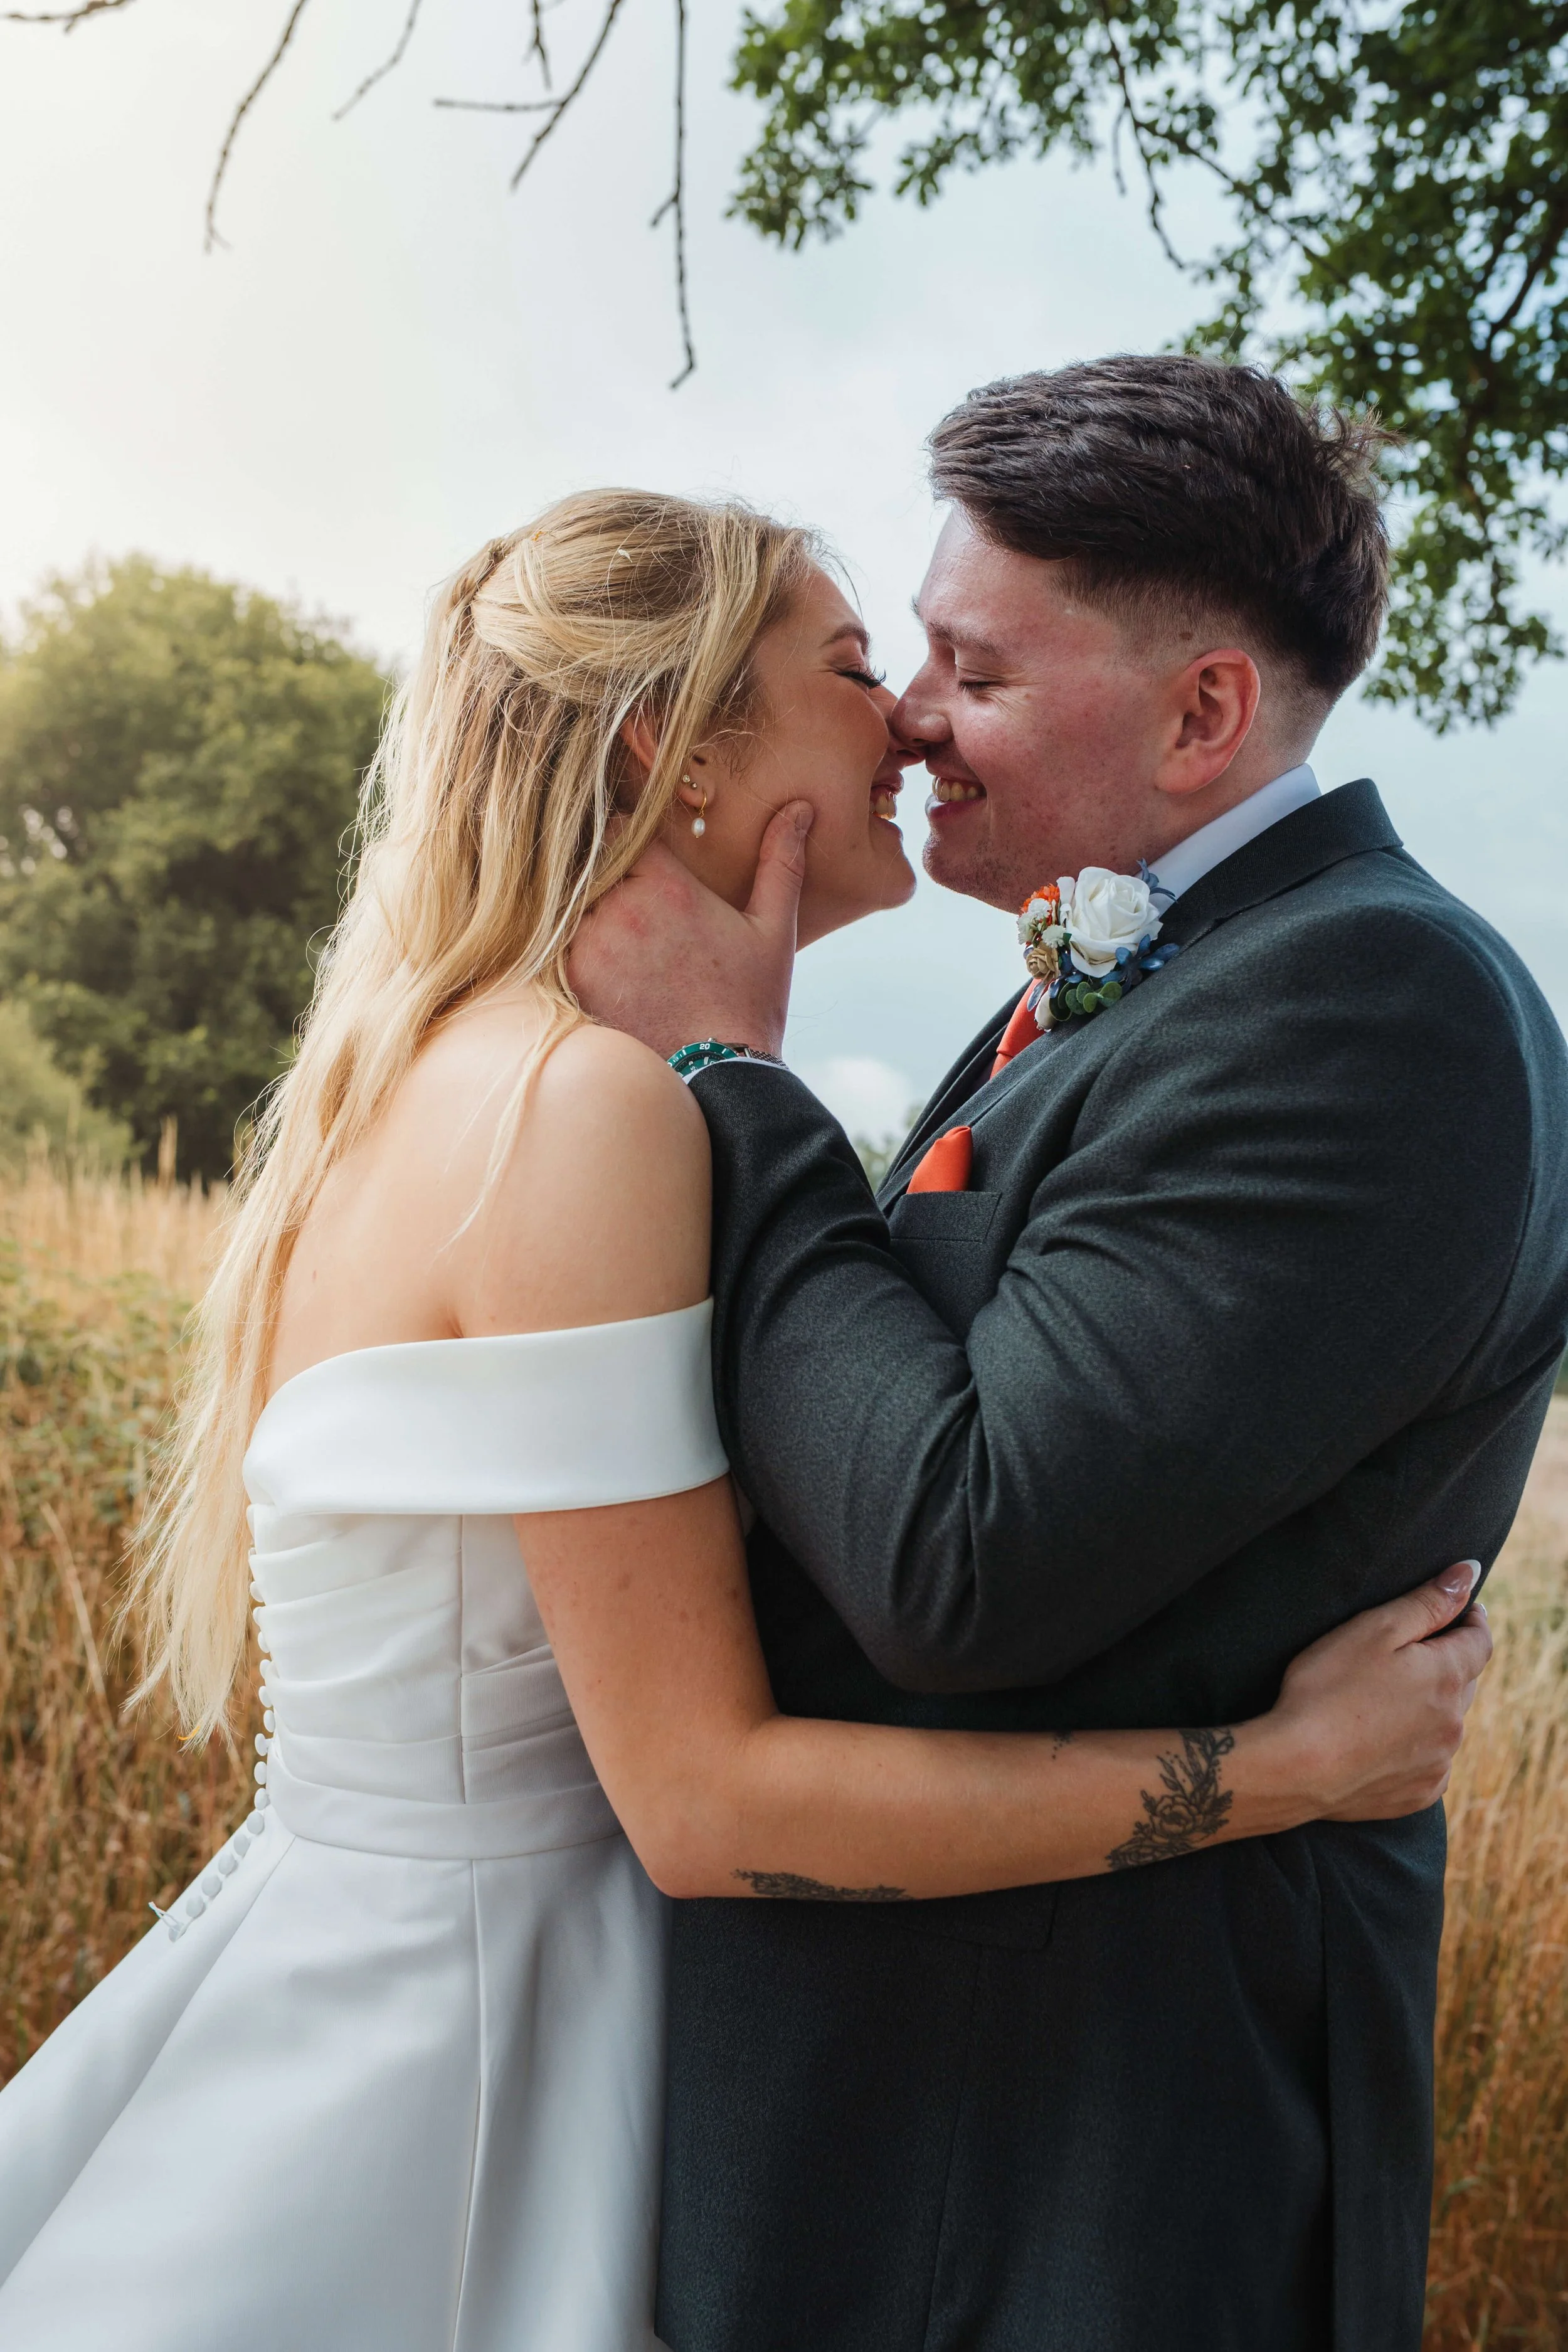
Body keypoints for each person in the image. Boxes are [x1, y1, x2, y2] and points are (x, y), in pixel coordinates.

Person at [0, 489, 1489, 2352]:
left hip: (397, 1985)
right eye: (864, 667)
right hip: (478, 2076)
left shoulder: (438, 1069)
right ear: (672, 750)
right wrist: (1273, 1772)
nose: (907, 720)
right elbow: (704, 1799)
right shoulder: (588, 1110)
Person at [569, 366, 1568, 2352]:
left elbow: (962, 1550)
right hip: (909, 2134)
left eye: (971, 669)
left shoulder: (1374, 1009)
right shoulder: (1171, 976)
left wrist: (733, 1084)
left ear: (1201, 712)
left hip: (1069, 2187)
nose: (907, 718)